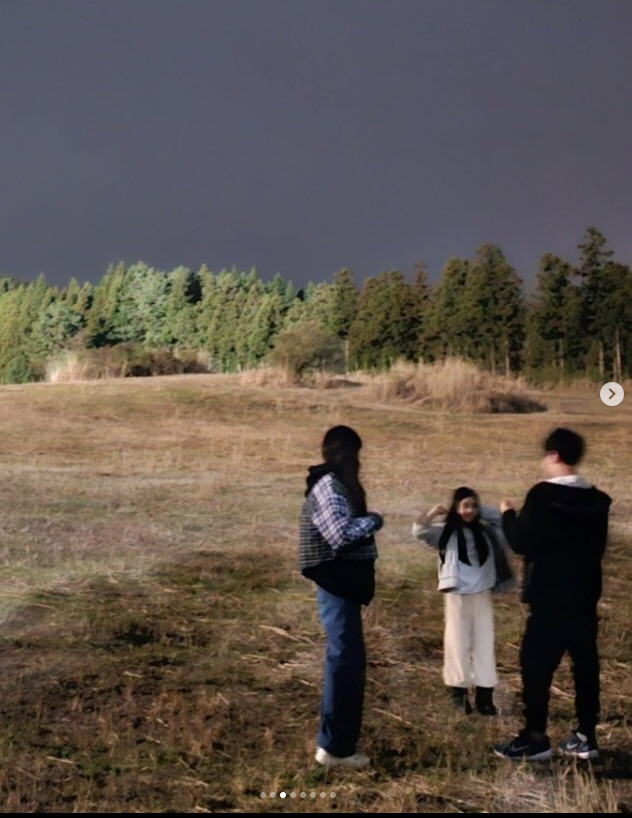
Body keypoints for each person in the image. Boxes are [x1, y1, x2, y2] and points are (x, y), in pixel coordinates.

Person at [494, 427, 611, 761]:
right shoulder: (598, 501)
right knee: (585, 665)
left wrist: (507, 514)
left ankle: (535, 737)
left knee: (536, 667)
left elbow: (521, 542)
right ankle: (585, 735)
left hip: (548, 596)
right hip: (585, 595)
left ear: (554, 456)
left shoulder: (543, 495)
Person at [299, 425, 383, 769]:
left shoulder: (331, 484)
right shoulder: (330, 487)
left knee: (346, 661)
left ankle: (336, 744)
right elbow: (341, 535)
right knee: (344, 662)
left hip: (340, 584)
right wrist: (375, 521)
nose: (359, 463)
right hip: (337, 584)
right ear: (347, 454)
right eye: (357, 455)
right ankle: (334, 748)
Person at [413, 487, 513, 716]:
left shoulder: (487, 532)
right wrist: (435, 512)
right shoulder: (445, 533)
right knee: (457, 645)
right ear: (456, 507)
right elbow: (419, 530)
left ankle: (485, 697)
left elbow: (502, 522)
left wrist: (483, 510)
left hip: (482, 593)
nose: (470, 511)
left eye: (473, 505)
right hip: (457, 593)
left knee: (484, 645)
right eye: (465, 505)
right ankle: (458, 696)